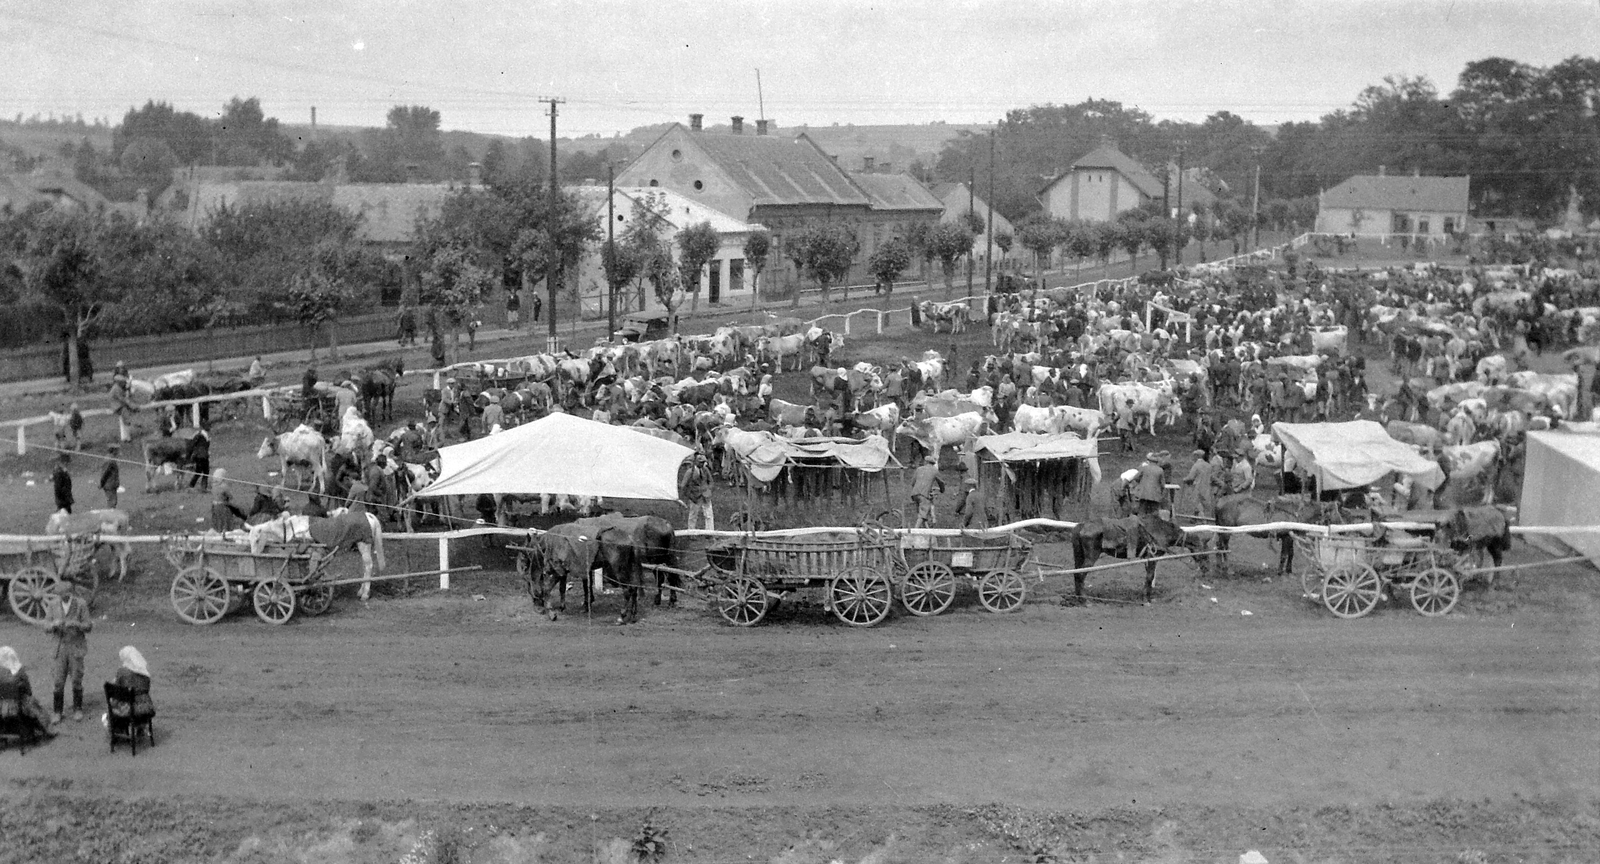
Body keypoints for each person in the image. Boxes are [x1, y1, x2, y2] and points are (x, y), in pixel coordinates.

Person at [48, 576, 92, 723]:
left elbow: (89, 625)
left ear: (70, 593)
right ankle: (57, 712)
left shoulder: (81, 604)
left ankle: (78, 709)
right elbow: (45, 626)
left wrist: (77, 624)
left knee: (76, 679)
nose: (63, 597)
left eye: (65, 595)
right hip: (59, 648)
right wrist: (54, 624)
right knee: (58, 681)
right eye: (60, 595)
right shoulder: (53, 605)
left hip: (76, 647)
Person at [0, 646, 57, 740]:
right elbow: (29, 691)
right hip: (17, 706)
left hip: (1, 707)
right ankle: (47, 730)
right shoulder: (19, 672)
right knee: (34, 706)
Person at [109, 646, 155, 724]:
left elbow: (116, 692)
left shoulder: (122, 672)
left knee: (114, 705)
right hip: (147, 708)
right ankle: (140, 728)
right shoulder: (145, 674)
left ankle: (119, 728)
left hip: (130, 709)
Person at [909, 453, 945, 528]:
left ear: (926, 462)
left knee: (921, 512)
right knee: (922, 515)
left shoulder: (919, 469)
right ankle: (915, 531)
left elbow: (912, 482)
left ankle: (926, 530)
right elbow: (941, 482)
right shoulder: (934, 471)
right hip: (924, 494)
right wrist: (942, 490)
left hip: (915, 493)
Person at [681, 454, 714, 530]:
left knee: (709, 514)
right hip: (695, 497)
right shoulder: (690, 472)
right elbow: (683, 485)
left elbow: (711, 481)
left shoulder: (705, 470)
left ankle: (710, 531)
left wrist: (709, 490)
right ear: (695, 461)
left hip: (706, 496)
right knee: (693, 515)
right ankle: (691, 532)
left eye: (703, 462)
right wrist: (689, 495)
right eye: (700, 462)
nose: (702, 464)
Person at [1182, 448, 1215, 518]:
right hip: (1207, 487)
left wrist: (1184, 479)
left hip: (1197, 486)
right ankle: (1197, 517)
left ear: (1197, 456)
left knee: (1196, 503)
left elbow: (1191, 477)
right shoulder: (1208, 466)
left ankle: (1202, 519)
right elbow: (1212, 477)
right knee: (1205, 503)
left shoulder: (1196, 465)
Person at [1133, 451, 1168, 516]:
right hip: (1155, 495)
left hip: (1143, 493)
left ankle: (1141, 523)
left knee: (1142, 511)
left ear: (1149, 460)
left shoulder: (1144, 468)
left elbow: (1136, 478)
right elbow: (1162, 484)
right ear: (1157, 462)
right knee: (1153, 512)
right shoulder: (1160, 470)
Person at [186, 424, 212, 493]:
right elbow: (207, 444)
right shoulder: (206, 434)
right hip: (203, 455)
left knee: (198, 472)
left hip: (197, 456)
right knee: (206, 472)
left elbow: (191, 445)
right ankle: (203, 487)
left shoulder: (195, 434)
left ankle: (191, 485)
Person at [100, 444, 121, 509]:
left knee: (113, 501)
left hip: (112, 483)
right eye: (117, 450)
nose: (118, 452)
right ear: (113, 450)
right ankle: (111, 516)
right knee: (112, 502)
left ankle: (112, 514)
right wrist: (101, 483)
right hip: (109, 484)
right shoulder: (109, 460)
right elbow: (105, 473)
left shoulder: (111, 459)